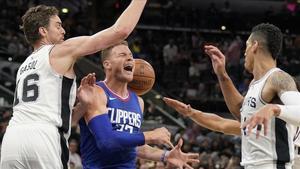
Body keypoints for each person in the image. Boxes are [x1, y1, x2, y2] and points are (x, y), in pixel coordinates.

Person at [0, 1, 148, 168]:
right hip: (44, 136)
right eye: (58, 26)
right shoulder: (60, 50)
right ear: (43, 31)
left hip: (11, 140)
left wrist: (82, 105)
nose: (63, 30)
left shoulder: (24, 66)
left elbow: (56, 114)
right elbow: (120, 31)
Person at [164, 23, 300, 169]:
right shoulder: (255, 85)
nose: (244, 53)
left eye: (246, 46)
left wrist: (274, 109)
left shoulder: (278, 78)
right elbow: (234, 118)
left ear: (254, 45)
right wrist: (221, 75)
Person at [76, 42, 199, 169]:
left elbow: (133, 145)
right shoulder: (96, 92)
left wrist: (166, 155)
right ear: (107, 64)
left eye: (131, 55)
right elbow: (108, 142)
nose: (130, 58)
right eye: (122, 55)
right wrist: (150, 135)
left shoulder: (138, 102)